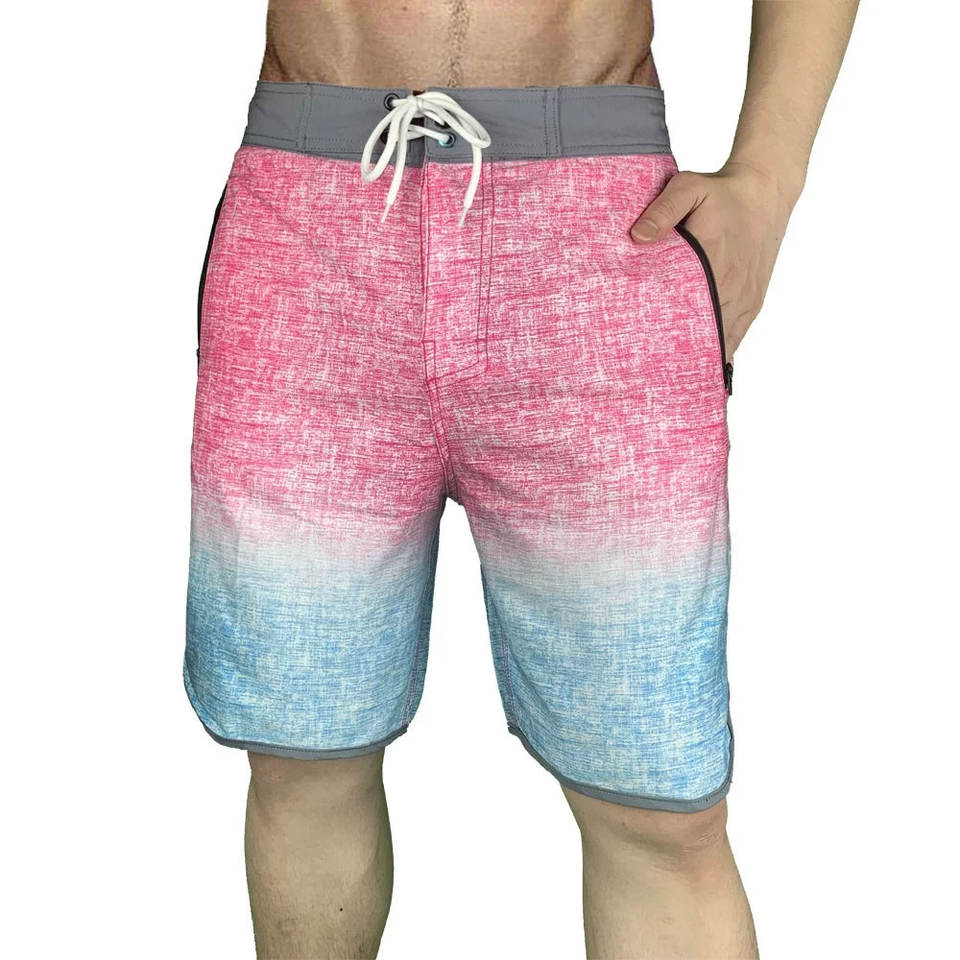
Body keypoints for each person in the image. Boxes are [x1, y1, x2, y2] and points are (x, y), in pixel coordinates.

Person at [184, 2, 858, 956]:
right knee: (301, 756)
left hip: (603, 234)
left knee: (657, 803)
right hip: (308, 231)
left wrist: (769, 179)